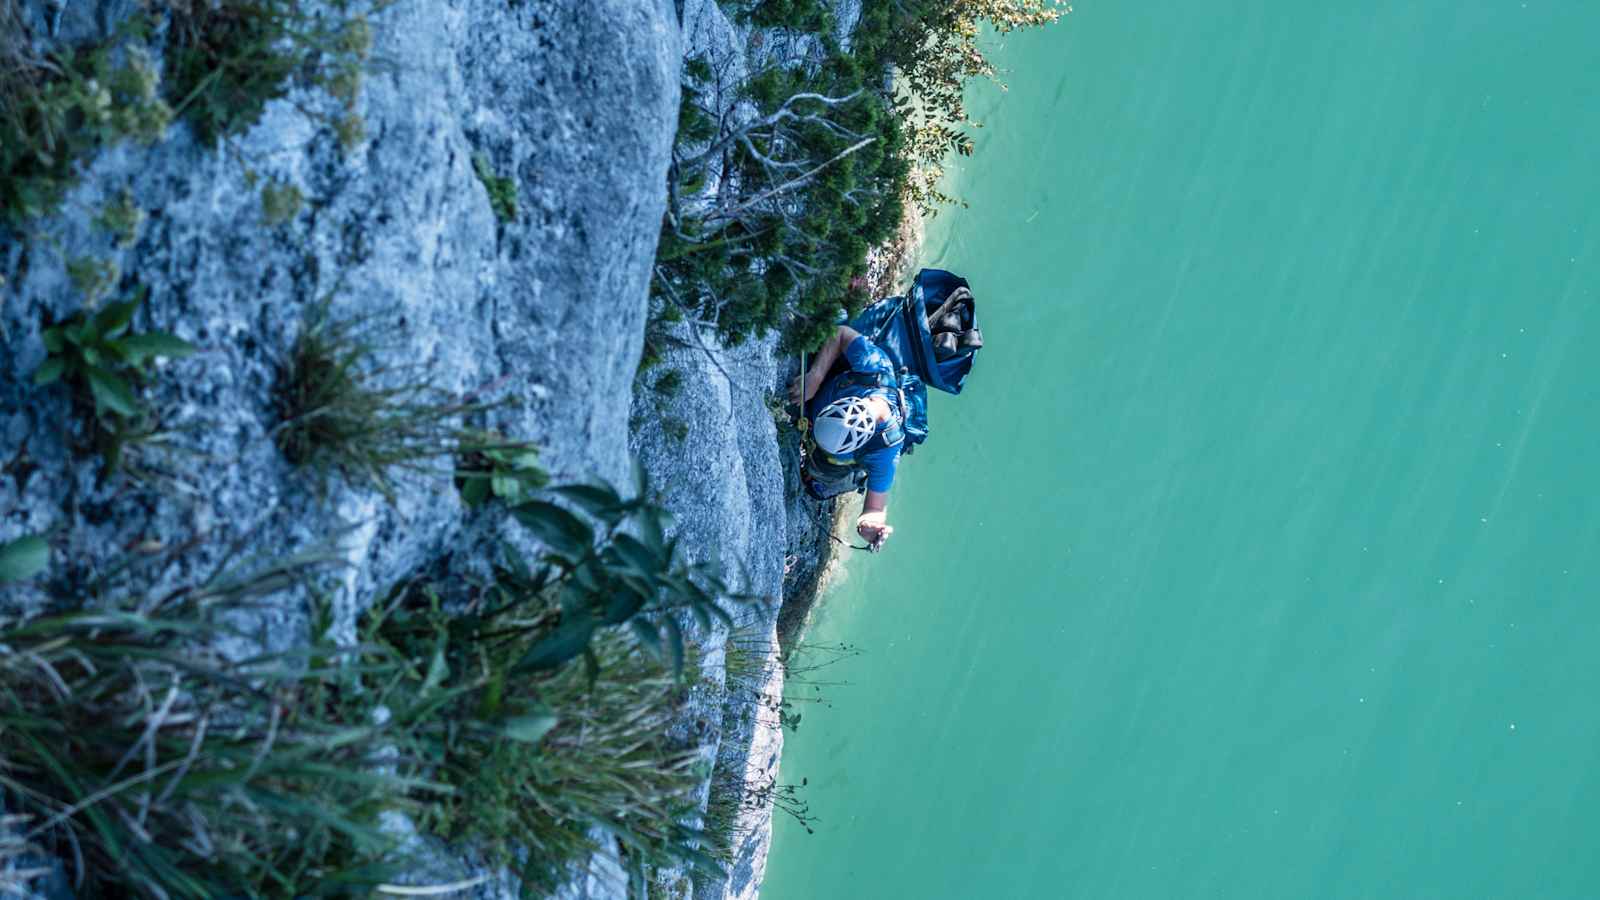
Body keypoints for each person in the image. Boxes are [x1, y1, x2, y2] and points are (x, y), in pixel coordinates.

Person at [788, 324, 906, 548]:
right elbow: (840, 333)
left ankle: (834, 476)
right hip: (819, 409)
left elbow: (874, 508)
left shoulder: (884, 452)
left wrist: (868, 526)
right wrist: (816, 375)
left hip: (832, 459)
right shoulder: (873, 368)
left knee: (818, 484)